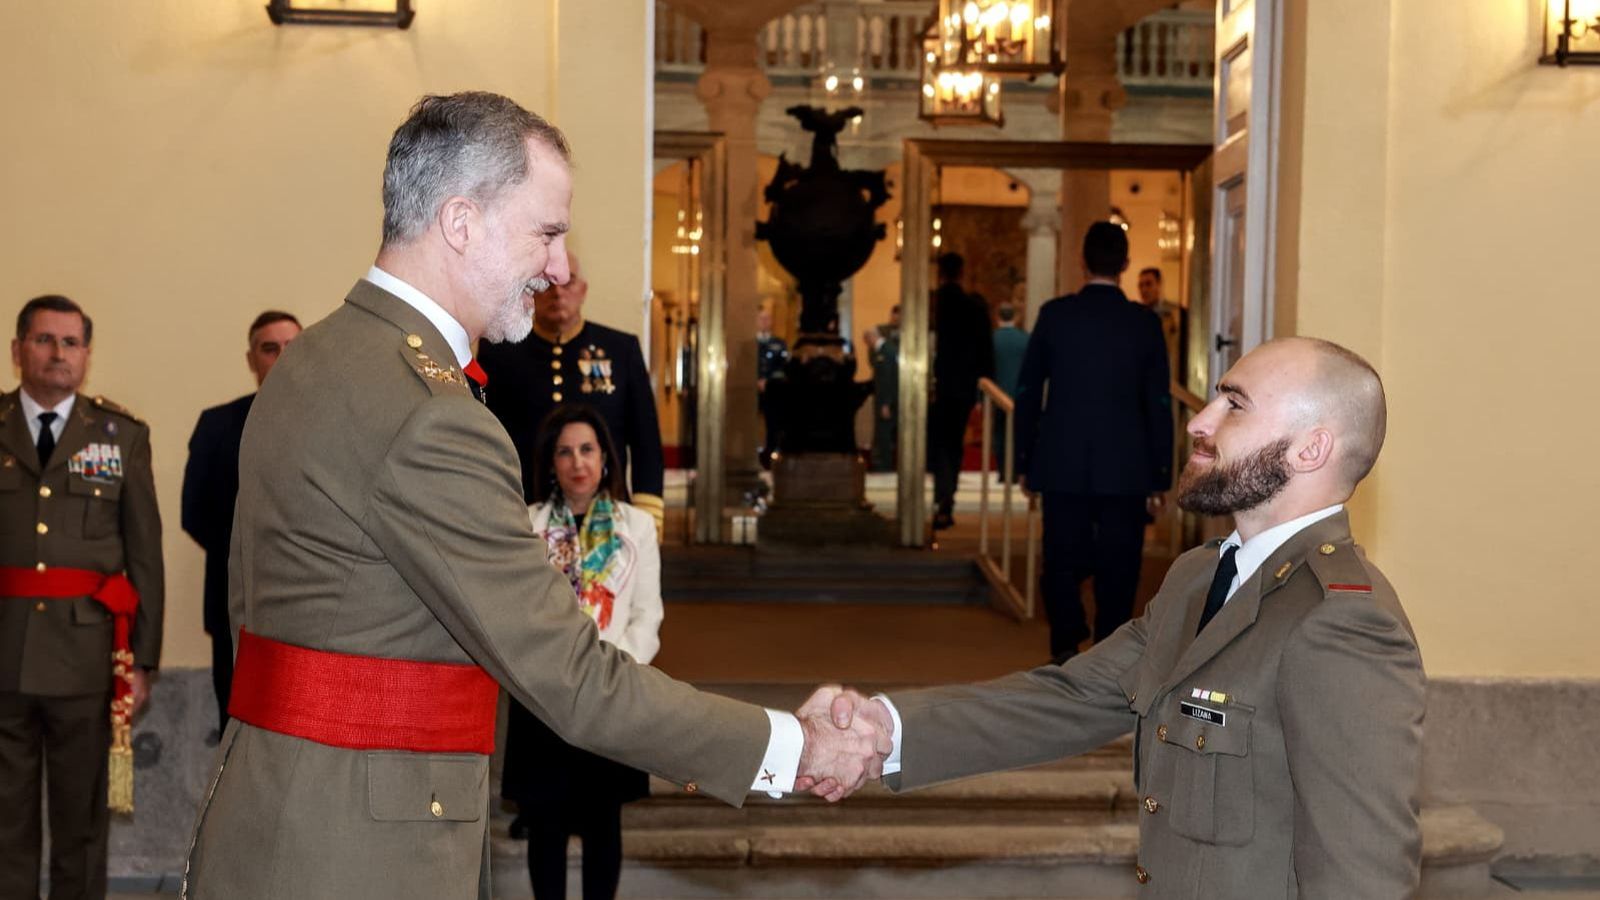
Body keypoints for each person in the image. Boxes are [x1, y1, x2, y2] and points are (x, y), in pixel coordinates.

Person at [182, 92, 886, 900]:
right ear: (461, 222)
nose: (559, 267)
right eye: (546, 233)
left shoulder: (318, 356)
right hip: (357, 850)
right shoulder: (428, 413)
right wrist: (794, 747)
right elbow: (570, 673)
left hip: (279, 806)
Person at [821, 336, 1427, 897]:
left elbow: (1362, 875)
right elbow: (1071, 697)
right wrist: (885, 730)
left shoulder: (1342, 622)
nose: (1199, 421)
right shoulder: (1200, 576)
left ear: (1310, 448)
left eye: (1234, 405)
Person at [0, 295, 164, 900]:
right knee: (4, 822)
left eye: (71, 342)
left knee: (82, 824)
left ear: (87, 355)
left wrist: (142, 661)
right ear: (18, 350)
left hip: (88, 660)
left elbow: (144, 555)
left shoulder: (121, 436)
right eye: (44, 340)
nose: (58, 353)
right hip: (4, 654)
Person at [503, 405, 661, 900]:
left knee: (602, 822)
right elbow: (515, 613)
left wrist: (611, 670)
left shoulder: (637, 526)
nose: (578, 462)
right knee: (545, 823)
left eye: (587, 449)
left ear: (606, 457)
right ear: (551, 462)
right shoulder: (525, 525)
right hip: (545, 694)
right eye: (565, 452)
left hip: (611, 691)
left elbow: (647, 616)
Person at [1015, 223, 1172, 662]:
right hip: (1127, 465)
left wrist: (1024, 459)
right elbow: (1158, 401)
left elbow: (1028, 392)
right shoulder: (1144, 323)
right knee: (1120, 564)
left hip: (1061, 460)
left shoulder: (1055, 315)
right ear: (1125, 264)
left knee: (1060, 559)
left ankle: (1066, 642)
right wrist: (1160, 472)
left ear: (1081, 262)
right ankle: (1109, 649)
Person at [478, 252, 666, 535]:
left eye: (568, 282)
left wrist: (649, 517)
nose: (558, 293)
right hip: (524, 515)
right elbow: (485, 440)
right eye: (547, 283)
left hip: (609, 521)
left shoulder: (620, 350)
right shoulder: (500, 353)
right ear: (531, 290)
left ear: (583, 290)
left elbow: (645, 442)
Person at [180, 310, 301, 743]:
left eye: (292, 347)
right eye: (270, 349)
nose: (281, 357)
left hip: (312, 607)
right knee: (236, 731)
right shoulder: (217, 425)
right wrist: (252, 554)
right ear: (251, 359)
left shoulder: (335, 421)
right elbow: (194, 513)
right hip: (234, 606)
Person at [929, 253, 993, 530]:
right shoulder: (973, 306)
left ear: (940, 273)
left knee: (937, 444)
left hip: (934, 385)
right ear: (961, 273)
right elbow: (985, 351)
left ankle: (941, 494)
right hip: (961, 388)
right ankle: (946, 497)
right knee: (952, 443)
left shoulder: (932, 303)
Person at [989, 302, 1028, 476]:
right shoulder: (1025, 339)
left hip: (996, 392)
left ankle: (1002, 469)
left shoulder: (991, 339)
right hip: (1020, 393)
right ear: (1016, 317)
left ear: (997, 316)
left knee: (999, 432)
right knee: (1018, 432)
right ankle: (1015, 469)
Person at [864, 306, 900, 473]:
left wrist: (886, 403)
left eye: (867, 341)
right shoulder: (884, 350)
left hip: (887, 400)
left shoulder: (886, 351)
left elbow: (887, 380)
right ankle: (884, 464)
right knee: (882, 433)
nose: (868, 345)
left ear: (873, 337)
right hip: (885, 398)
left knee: (885, 433)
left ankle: (885, 465)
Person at [755, 307, 789, 469]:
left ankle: (770, 458)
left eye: (767, 318)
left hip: (772, 391)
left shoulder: (779, 344)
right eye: (761, 318)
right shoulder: (750, 343)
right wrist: (756, 381)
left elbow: (783, 368)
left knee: (773, 425)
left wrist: (767, 382)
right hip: (751, 391)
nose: (764, 321)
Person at [1136, 266, 1183, 375]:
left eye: (1148, 284)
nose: (1144, 290)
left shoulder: (1173, 314)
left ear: (1159, 285)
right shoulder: (1138, 316)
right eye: (1141, 285)